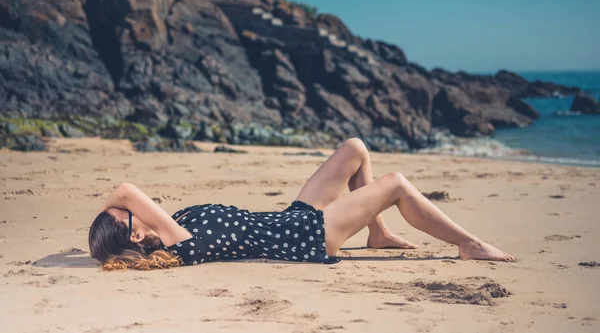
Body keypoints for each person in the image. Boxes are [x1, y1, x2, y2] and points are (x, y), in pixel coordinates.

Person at [89, 138, 515, 271]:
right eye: (127, 216)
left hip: (288, 221)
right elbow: (125, 188)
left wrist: (110, 233)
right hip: (306, 237)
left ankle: (378, 233)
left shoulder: (167, 232)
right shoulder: (174, 238)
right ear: (137, 231)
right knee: (397, 184)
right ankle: (469, 243)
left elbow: (125, 205)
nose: (133, 208)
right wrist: (110, 219)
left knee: (355, 149)